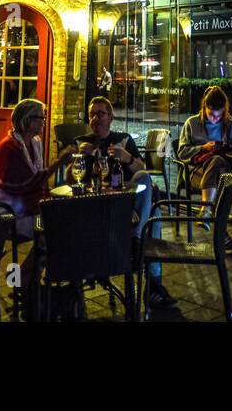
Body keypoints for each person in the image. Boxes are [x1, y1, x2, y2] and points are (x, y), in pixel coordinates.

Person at [77, 96, 176, 310]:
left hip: (121, 209)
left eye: (101, 113)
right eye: (92, 114)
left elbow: (142, 169)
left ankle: (136, 237)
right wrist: (77, 156)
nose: (95, 118)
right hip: (89, 209)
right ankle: (152, 282)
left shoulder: (123, 139)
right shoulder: (80, 142)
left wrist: (127, 157)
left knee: (145, 180)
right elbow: (67, 180)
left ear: (111, 117)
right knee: (152, 215)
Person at [0, 99, 74, 241]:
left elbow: (37, 182)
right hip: (6, 212)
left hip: (24, 208)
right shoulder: (9, 147)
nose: (45, 120)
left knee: (63, 216)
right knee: (59, 225)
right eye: (42, 117)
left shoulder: (35, 142)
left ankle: (42, 259)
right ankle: (44, 261)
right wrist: (58, 163)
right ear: (28, 120)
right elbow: (25, 185)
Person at [177, 86, 232, 209]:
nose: (215, 118)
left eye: (219, 115)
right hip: (196, 171)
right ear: (204, 106)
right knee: (219, 167)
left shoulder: (229, 126)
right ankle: (213, 215)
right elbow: (182, 152)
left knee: (218, 162)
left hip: (223, 171)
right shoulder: (192, 123)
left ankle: (206, 209)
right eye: (211, 114)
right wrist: (203, 148)